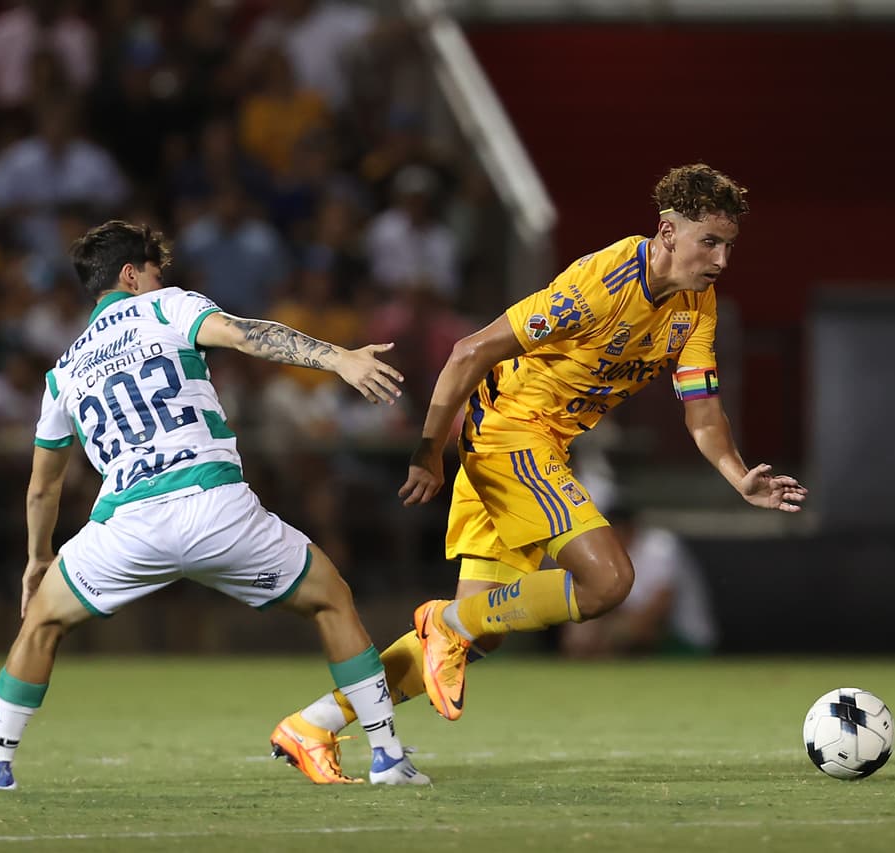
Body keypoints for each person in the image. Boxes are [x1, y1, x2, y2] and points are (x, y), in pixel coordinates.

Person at [274, 163, 807, 750]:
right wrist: (428, 450)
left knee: (485, 631)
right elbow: (469, 350)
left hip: (533, 440)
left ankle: (315, 725)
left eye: (728, 246)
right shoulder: (602, 285)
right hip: (512, 432)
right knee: (607, 581)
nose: (720, 261)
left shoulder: (694, 305)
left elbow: (702, 411)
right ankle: (444, 623)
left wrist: (739, 478)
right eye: (709, 242)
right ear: (667, 231)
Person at [0, 220, 428, 791]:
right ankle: (387, 757)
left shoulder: (65, 372)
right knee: (332, 601)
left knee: (41, 623)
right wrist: (338, 359)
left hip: (126, 527)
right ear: (132, 275)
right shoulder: (166, 308)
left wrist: (37, 559)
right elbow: (246, 333)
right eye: (155, 270)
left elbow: (42, 487)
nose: (161, 279)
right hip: (215, 508)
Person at [558, 508, 719, 658]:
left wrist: (606, 640)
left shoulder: (660, 547)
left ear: (630, 529)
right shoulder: (603, 556)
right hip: (638, 641)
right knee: (583, 629)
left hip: (683, 641)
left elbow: (658, 611)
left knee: (621, 631)